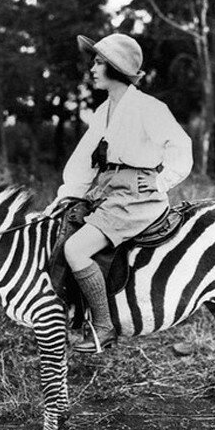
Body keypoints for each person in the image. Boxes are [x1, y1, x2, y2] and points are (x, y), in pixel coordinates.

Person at [44, 33, 193, 354]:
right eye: (95, 62)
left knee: (76, 250)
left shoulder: (147, 107)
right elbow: (85, 162)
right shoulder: (103, 112)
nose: (93, 69)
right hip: (108, 192)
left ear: (114, 68)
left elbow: (181, 147)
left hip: (137, 198)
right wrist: (67, 195)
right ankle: (68, 314)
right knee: (60, 226)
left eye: (99, 63)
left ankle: (103, 326)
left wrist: (161, 181)